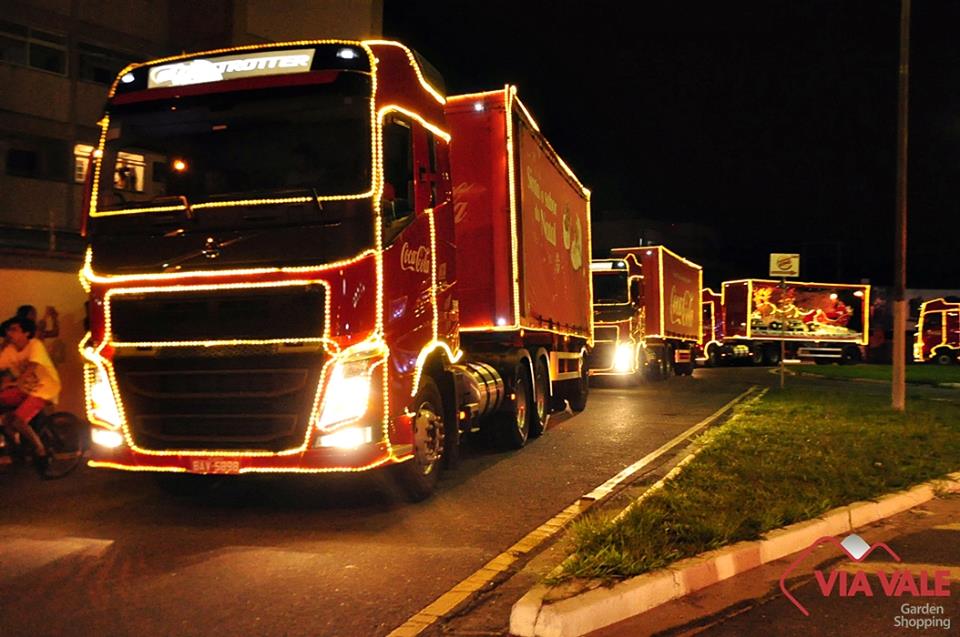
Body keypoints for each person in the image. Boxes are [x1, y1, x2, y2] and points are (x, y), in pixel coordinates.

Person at [0, 316, 62, 469]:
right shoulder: (10, 350)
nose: (9, 333)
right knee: (4, 411)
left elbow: (33, 365)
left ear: (26, 333)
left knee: (18, 420)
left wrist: (19, 380)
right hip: (25, 389)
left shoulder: (35, 344)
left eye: (14, 330)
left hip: (44, 388)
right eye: (8, 330)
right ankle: (16, 448)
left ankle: (41, 450)